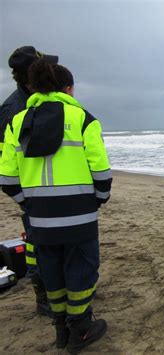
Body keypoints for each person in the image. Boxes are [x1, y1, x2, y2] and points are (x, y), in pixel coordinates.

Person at [0, 59, 112, 352]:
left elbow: (7, 178)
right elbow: (101, 170)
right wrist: (98, 200)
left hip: (40, 219)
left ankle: (61, 330)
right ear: (69, 88)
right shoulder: (83, 119)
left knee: (52, 272)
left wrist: (30, 204)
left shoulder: (17, 121)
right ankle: (81, 329)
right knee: (82, 273)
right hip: (80, 215)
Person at [0, 46, 59, 316]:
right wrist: (26, 199)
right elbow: (6, 166)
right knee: (37, 244)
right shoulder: (13, 110)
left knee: (51, 243)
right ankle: (43, 297)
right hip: (32, 194)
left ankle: (57, 291)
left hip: (49, 190)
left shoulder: (38, 101)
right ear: (31, 74)